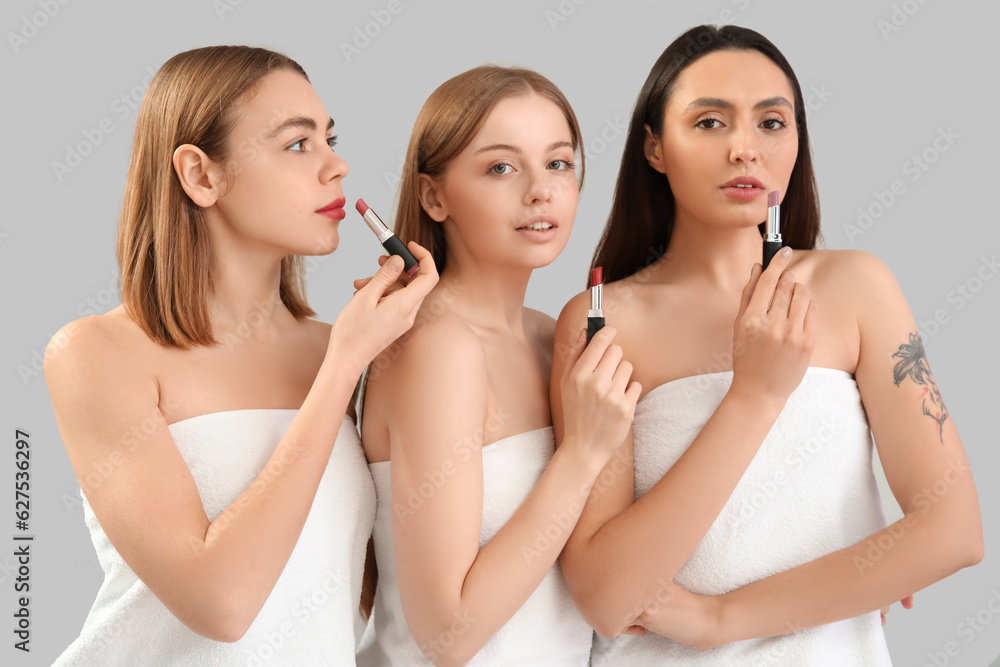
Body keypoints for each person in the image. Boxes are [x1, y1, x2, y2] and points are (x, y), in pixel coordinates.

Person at [551, 24, 983, 665]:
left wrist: (722, 617)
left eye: (772, 123)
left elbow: (954, 533)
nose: (744, 150)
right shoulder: (601, 320)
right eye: (709, 123)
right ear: (654, 147)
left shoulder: (856, 287)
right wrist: (754, 395)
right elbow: (608, 598)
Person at [45, 45, 437, 665]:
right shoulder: (97, 354)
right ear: (202, 175)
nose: (337, 166)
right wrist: (343, 368)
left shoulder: (337, 347)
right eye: (297, 144)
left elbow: (371, 592)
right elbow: (221, 603)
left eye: (328, 139)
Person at [356, 65, 640, 666]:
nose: (541, 190)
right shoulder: (437, 346)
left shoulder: (549, 337)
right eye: (501, 167)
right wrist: (582, 454)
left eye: (559, 163)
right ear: (434, 196)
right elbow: (448, 635)